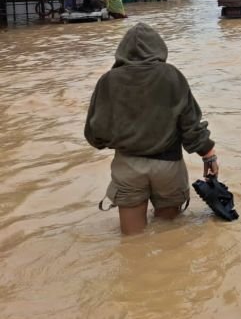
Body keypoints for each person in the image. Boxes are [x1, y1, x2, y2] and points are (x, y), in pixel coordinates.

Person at [84, 23, 219, 235]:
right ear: (160, 49)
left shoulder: (108, 80)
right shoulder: (172, 75)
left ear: (122, 51)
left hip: (128, 167)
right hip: (168, 167)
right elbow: (190, 125)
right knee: (171, 238)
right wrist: (208, 155)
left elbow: (95, 133)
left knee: (132, 240)